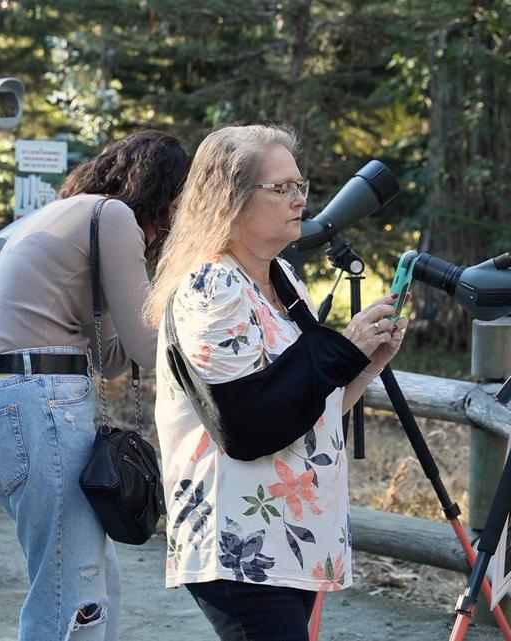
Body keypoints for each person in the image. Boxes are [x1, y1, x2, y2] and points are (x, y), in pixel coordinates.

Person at [145, 124, 408, 641]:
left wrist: (367, 360)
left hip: (288, 537)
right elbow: (245, 423)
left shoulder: (283, 282)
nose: (299, 199)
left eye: (300, 185)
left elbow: (314, 407)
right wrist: (344, 348)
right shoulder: (211, 284)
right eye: (281, 187)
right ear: (231, 199)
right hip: (240, 542)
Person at [0, 130, 190, 641]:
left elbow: (110, 359)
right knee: (73, 598)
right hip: (40, 404)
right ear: (167, 193)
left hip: (5, 405)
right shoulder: (112, 218)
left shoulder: (71, 215)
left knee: (93, 584)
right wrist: (193, 289)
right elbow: (146, 349)